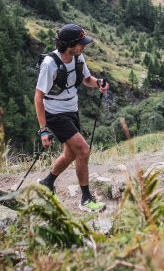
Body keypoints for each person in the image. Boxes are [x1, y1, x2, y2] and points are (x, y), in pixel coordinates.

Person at [35, 23, 109, 212]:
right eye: (80, 43)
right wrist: (44, 130)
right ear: (69, 45)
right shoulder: (50, 64)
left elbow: (86, 79)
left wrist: (98, 82)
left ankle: (47, 182)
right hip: (55, 114)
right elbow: (38, 97)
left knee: (70, 154)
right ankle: (86, 199)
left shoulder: (77, 57)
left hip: (71, 109)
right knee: (83, 150)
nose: (84, 46)